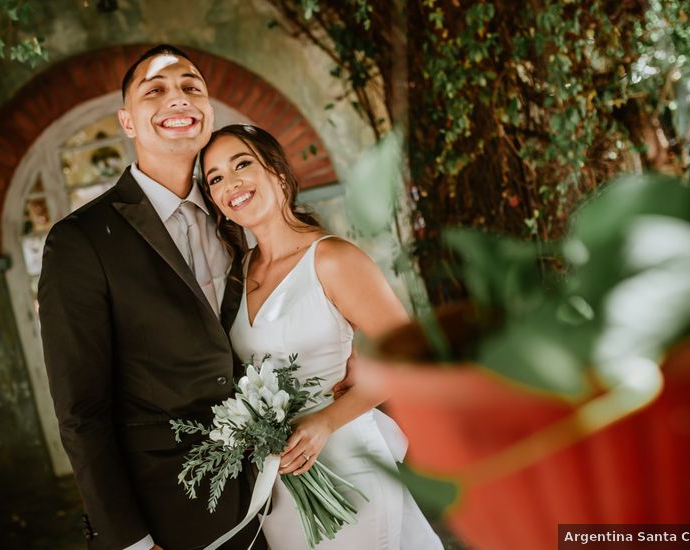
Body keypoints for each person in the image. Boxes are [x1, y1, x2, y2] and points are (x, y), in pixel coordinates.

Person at [38, 45, 266, 550]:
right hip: (172, 513)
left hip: (274, 489)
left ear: (208, 111)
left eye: (191, 88)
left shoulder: (239, 208)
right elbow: (82, 413)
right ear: (127, 121)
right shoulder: (81, 240)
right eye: (155, 91)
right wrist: (130, 540)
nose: (177, 99)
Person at [200, 124, 444, 549]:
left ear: (277, 173)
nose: (230, 182)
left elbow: (413, 355)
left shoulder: (332, 259)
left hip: (349, 466)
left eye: (242, 164)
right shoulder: (235, 275)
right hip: (279, 485)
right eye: (216, 177)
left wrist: (325, 421)